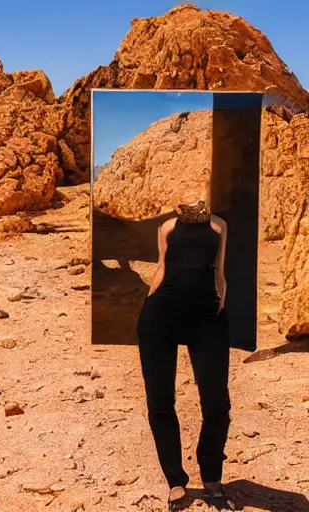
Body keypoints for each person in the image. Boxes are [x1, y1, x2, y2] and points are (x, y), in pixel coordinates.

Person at [136, 198, 230, 508]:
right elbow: (162, 267)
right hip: (160, 317)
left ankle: (212, 474)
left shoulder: (218, 226)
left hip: (206, 320)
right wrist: (146, 309)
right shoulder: (166, 228)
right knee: (160, 402)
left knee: (217, 403)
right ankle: (176, 481)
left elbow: (219, 271)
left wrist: (221, 305)